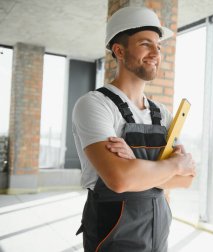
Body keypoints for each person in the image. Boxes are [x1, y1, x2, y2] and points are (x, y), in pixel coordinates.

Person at [72, 6, 196, 252]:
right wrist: (173, 166)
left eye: (158, 46)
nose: (155, 53)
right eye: (145, 44)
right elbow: (119, 180)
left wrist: (135, 164)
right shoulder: (95, 104)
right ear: (119, 50)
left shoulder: (162, 113)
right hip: (113, 235)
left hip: (158, 235)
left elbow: (185, 181)